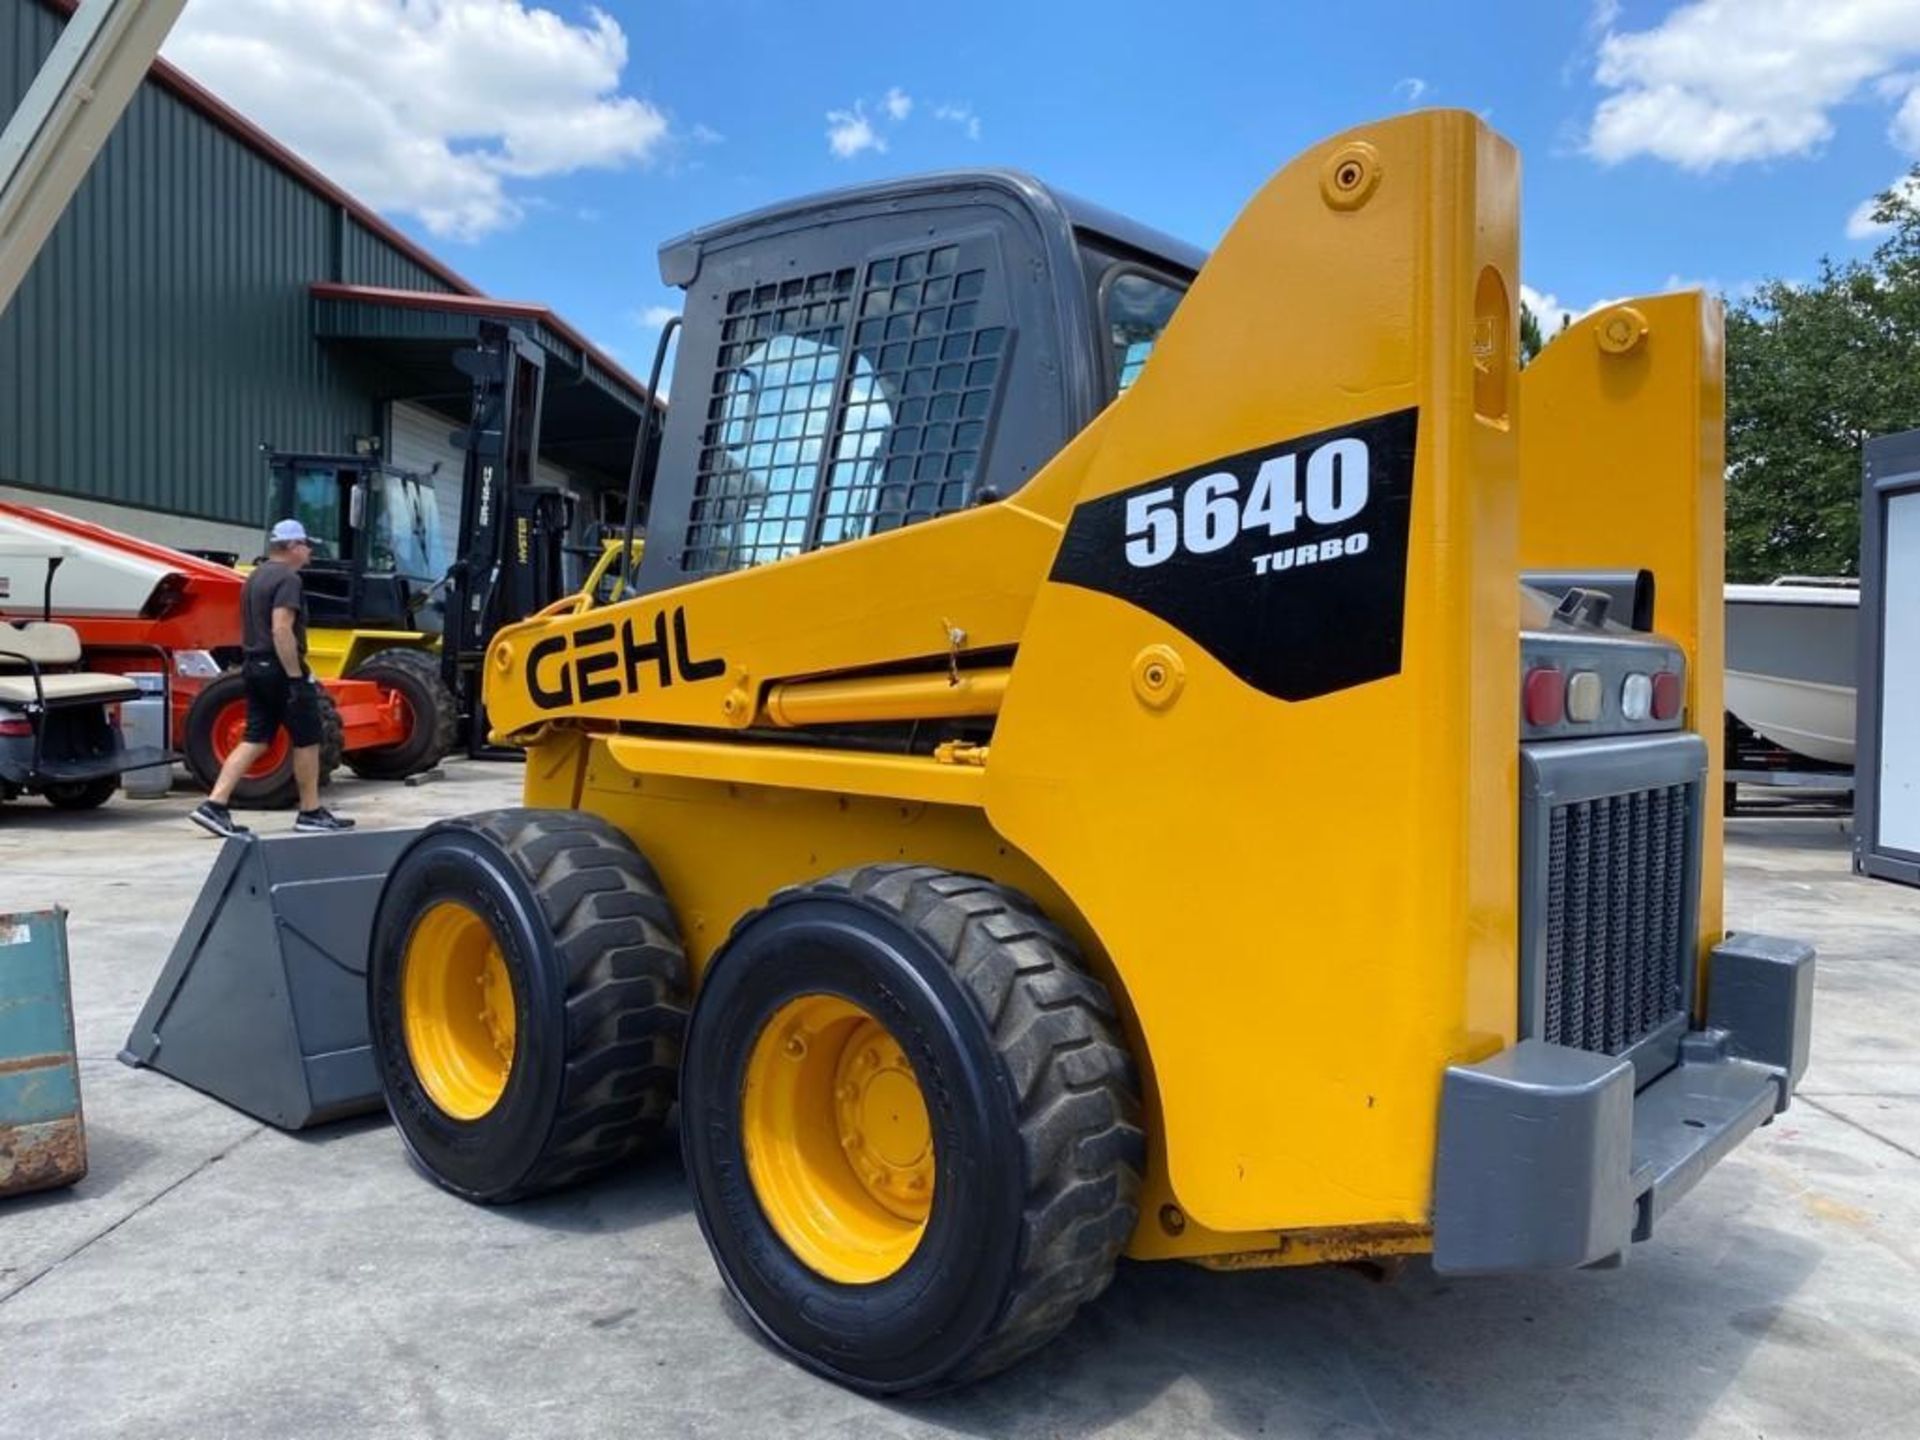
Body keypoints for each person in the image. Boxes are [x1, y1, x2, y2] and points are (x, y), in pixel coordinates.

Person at [189, 519, 356, 837]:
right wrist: (295, 677)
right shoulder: (288, 580)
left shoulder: (256, 577)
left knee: (255, 738)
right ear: (293, 547)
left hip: (254, 665)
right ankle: (310, 812)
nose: (309, 551)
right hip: (279, 669)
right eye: (306, 545)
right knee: (308, 739)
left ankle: (214, 804)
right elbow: (281, 628)